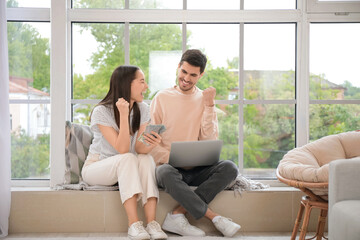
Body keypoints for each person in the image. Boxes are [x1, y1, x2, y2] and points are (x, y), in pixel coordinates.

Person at [150, 49, 241, 237]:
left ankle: (177, 214)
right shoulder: (161, 98)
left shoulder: (204, 100)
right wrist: (174, 159)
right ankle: (214, 217)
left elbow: (209, 140)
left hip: (198, 169)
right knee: (163, 172)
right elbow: (151, 143)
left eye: (193, 75)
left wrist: (209, 106)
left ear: (201, 75)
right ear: (178, 67)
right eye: (184, 72)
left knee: (230, 168)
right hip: (170, 168)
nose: (186, 78)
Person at [81, 65, 168, 240]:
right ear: (127, 84)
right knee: (127, 158)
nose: (146, 87)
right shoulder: (101, 111)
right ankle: (134, 224)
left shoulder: (142, 109)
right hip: (97, 168)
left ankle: (152, 223)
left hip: (127, 166)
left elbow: (140, 149)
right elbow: (121, 149)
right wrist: (123, 114)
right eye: (142, 82)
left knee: (145, 159)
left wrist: (152, 142)